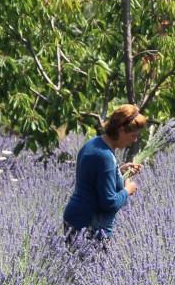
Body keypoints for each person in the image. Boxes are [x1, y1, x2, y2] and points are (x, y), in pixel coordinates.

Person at [63, 103, 148, 243]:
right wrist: (128, 190)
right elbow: (109, 203)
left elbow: (94, 179)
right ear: (121, 130)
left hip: (75, 219)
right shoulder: (105, 157)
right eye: (133, 135)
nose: (135, 140)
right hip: (89, 228)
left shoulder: (94, 143)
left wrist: (119, 171)